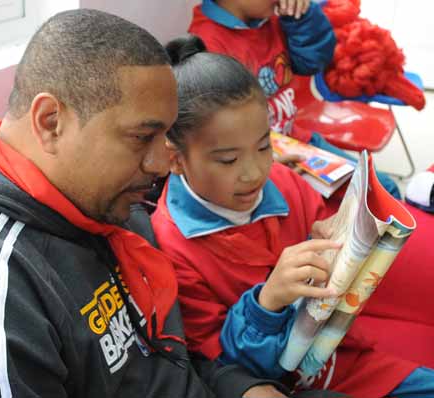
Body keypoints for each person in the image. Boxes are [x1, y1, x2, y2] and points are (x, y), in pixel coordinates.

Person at [0, 9, 325, 398]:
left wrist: (238, 387)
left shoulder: (100, 203)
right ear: (51, 121)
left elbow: (158, 356)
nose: (162, 162)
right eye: (143, 136)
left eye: (165, 135)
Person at [151, 35, 434, 397]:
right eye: (228, 160)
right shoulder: (172, 248)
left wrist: (335, 237)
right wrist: (268, 301)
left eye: (264, 146)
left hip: (344, 353)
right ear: (175, 159)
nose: (253, 172)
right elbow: (220, 365)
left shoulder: (282, 181)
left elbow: (318, 231)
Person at [187, 0, 401, 200]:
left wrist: (302, 18)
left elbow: (312, 62)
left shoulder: (269, 19)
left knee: (385, 191)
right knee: (379, 196)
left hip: (298, 142)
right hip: (265, 159)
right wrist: (265, 164)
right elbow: (221, 137)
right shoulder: (207, 44)